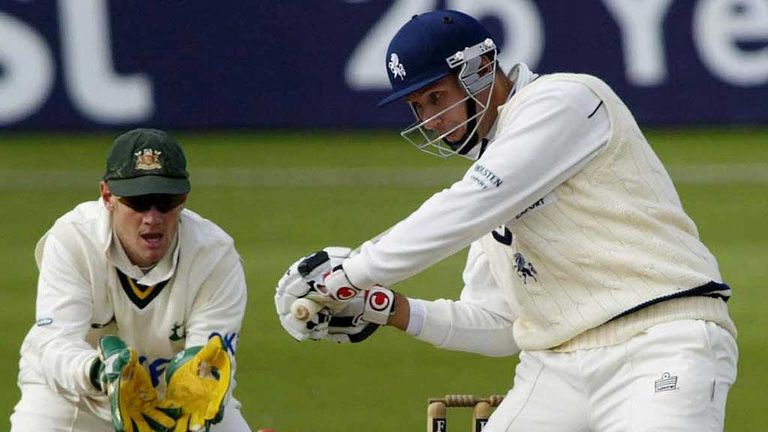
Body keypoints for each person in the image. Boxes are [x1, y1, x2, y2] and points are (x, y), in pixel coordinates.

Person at [274, 9, 738, 431]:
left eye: (436, 98)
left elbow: (471, 203)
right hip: (554, 368)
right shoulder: (494, 183)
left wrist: (348, 274)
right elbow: (499, 325)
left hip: (660, 339)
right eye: (417, 107)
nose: (430, 120)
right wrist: (385, 306)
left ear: (478, 71)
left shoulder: (565, 100)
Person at [11, 128, 251, 431]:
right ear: (108, 196)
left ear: (184, 199)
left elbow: (210, 364)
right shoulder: (74, 239)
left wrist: (198, 386)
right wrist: (100, 372)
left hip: (176, 400)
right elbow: (55, 345)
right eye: (138, 202)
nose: (152, 218)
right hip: (73, 398)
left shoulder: (214, 255)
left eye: (165, 202)